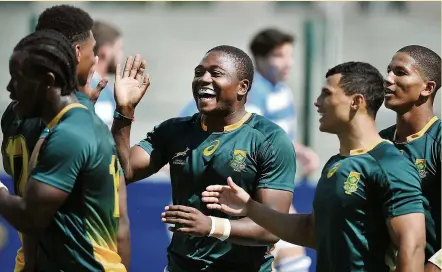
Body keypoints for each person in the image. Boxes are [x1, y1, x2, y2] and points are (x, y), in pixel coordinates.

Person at [202, 62, 427, 272]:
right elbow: (310, 231)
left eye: (327, 94)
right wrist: (251, 208)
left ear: (356, 102)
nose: (317, 102)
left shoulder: (389, 163)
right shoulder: (336, 164)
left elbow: (413, 244)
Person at [112, 46, 296, 271]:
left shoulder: (269, 140)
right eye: (198, 73)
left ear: (243, 87)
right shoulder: (174, 131)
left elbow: (272, 229)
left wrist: (212, 226)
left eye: (215, 74)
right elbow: (122, 172)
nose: (203, 79)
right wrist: (124, 111)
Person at [0, 5, 130, 271]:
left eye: (17, 79)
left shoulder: (20, 118)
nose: (95, 59)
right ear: (76, 53)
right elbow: (120, 221)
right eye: (92, 51)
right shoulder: (69, 127)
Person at [180, 28, 319, 177]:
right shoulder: (249, 92)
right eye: (279, 56)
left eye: (290, 56)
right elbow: (248, 138)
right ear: (260, 58)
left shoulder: (283, 91)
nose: (288, 63)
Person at [380, 45, 441, 261]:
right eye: (388, 70)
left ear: (427, 88)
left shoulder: (438, 141)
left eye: (400, 72)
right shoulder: (378, 143)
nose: (387, 78)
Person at [91, 21, 124, 128]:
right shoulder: (95, 87)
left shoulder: (101, 85)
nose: (121, 55)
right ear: (105, 51)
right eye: (119, 49)